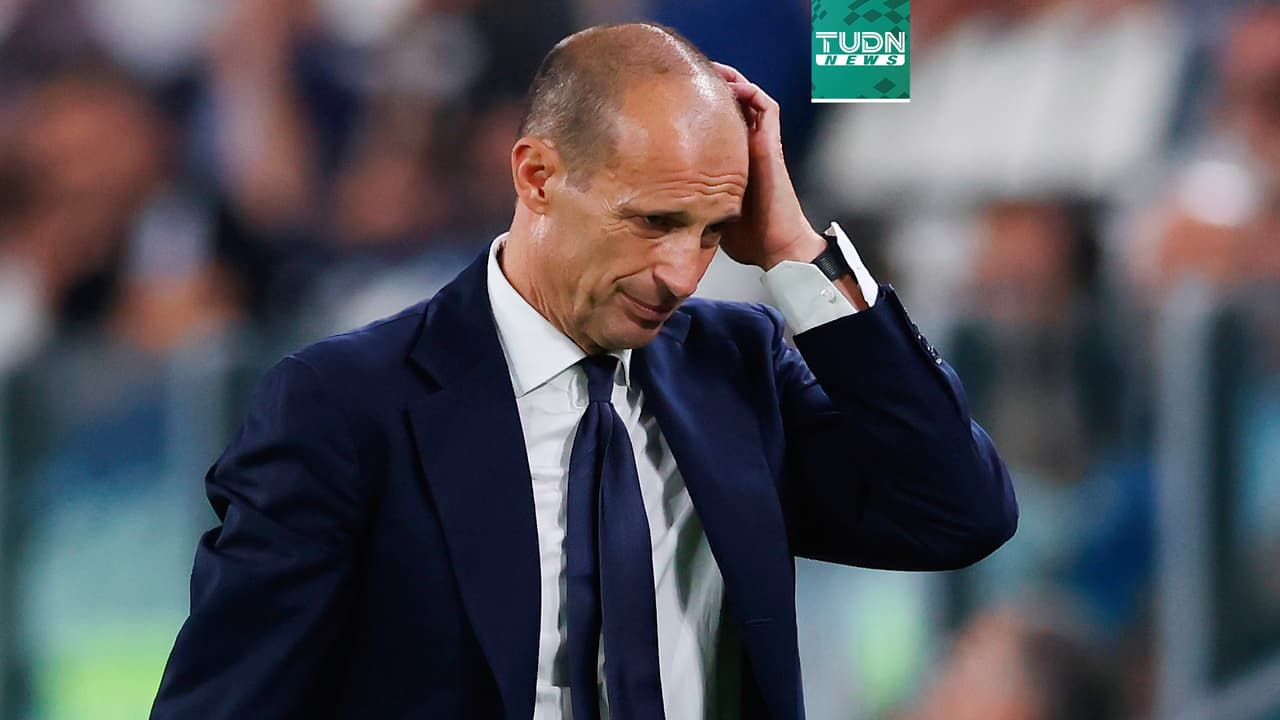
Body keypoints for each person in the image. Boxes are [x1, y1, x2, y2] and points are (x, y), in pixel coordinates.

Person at [150, 23, 1017, 720]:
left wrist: (795, 249)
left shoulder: (736, 370)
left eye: (712, 231)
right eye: (653, 222)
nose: (682, 274)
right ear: (537, 176)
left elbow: (957, 511)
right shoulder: (344, 406)